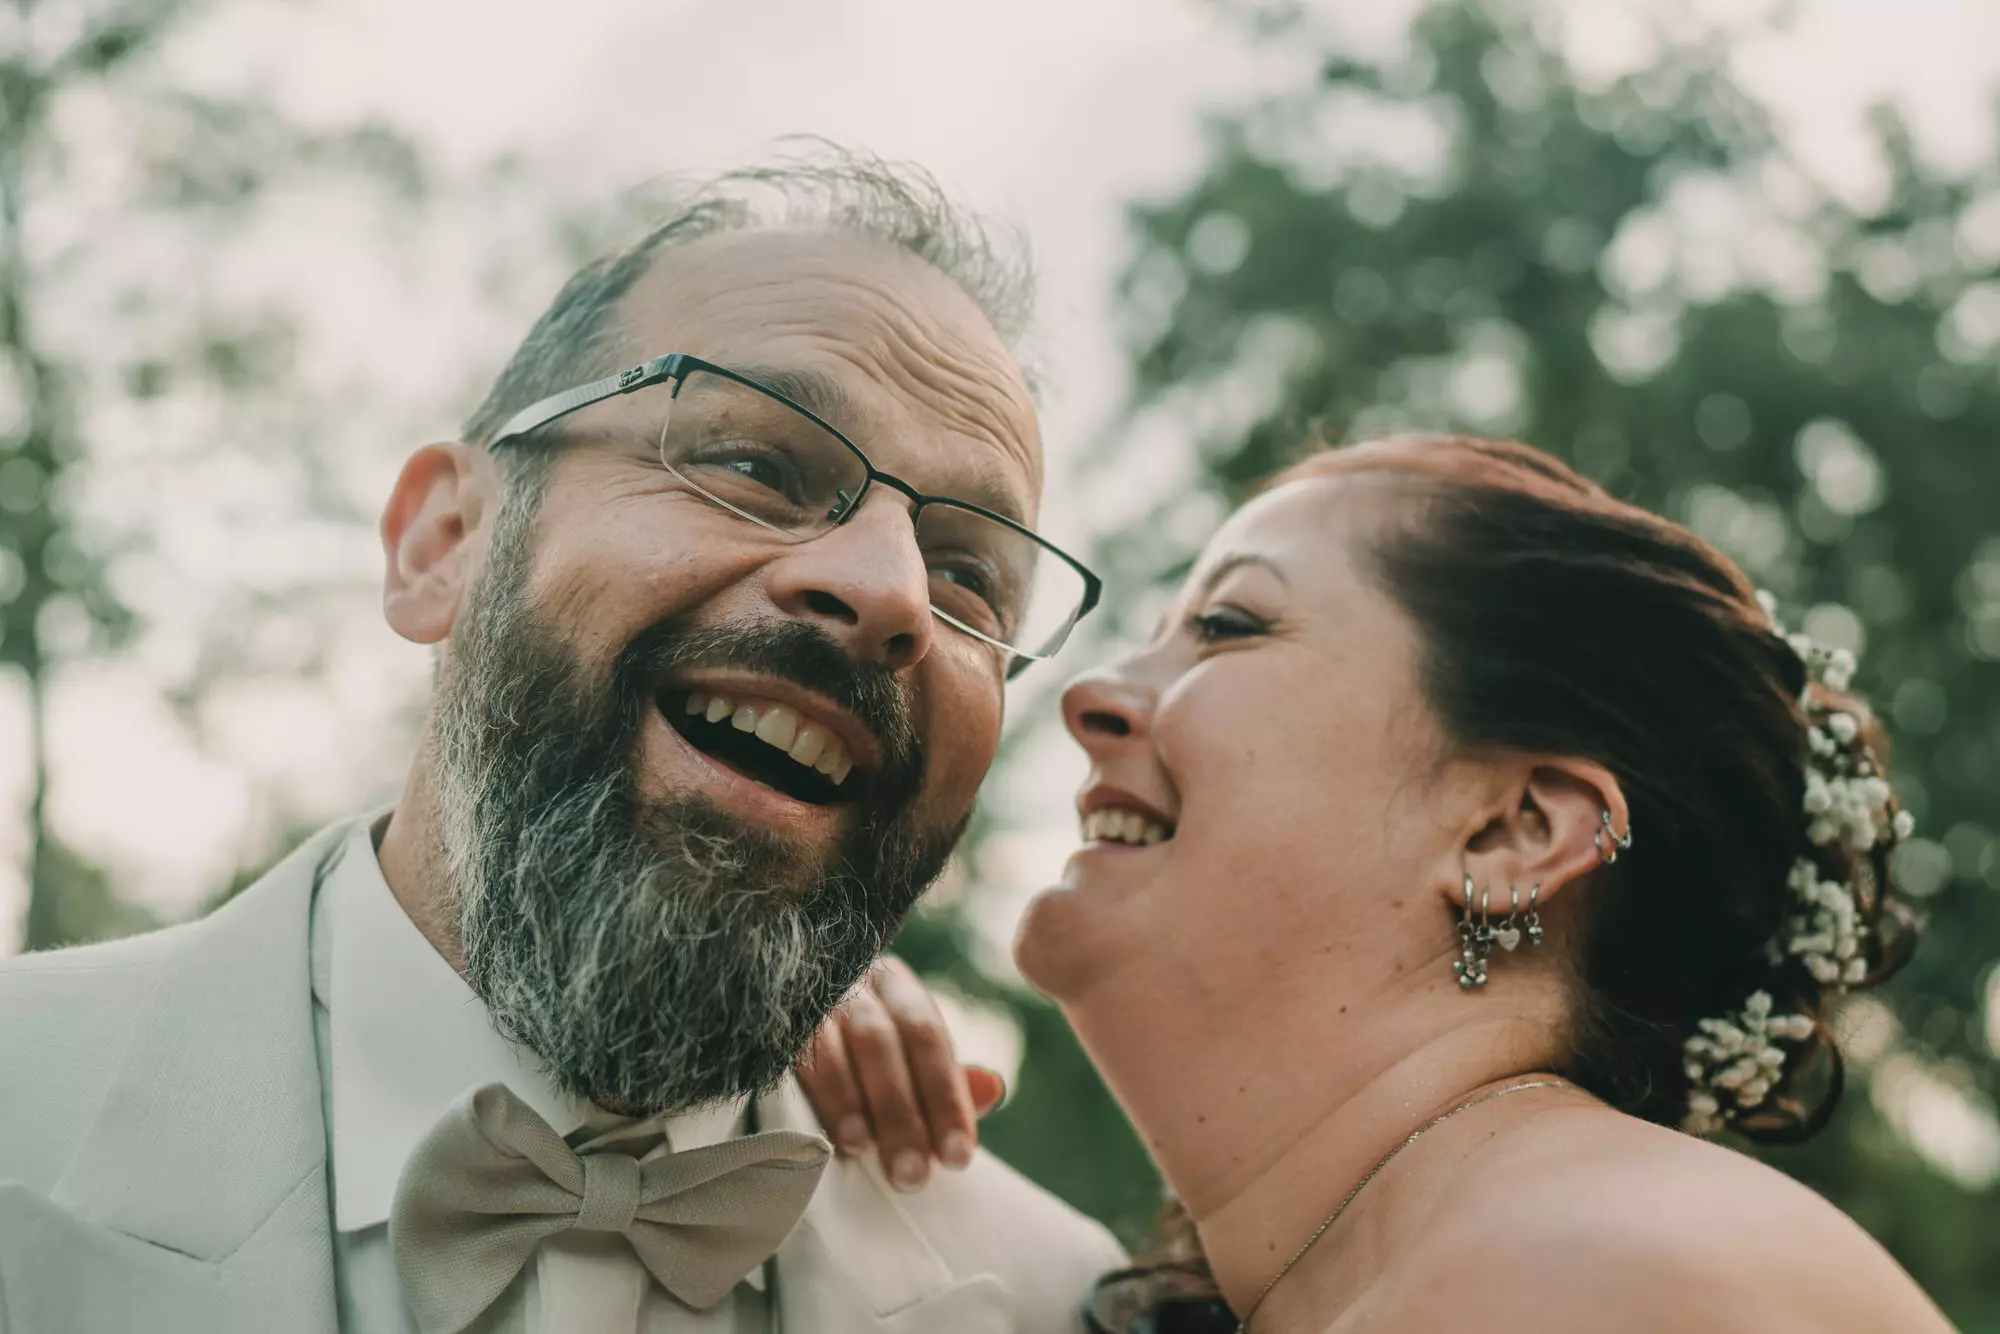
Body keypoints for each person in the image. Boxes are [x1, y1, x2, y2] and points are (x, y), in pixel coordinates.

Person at [0, 154, 1125, 1334]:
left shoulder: (1057, 1298)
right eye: (754, 464)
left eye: (966, 575)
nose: (892, 591)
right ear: (443, 542)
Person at [802, 433, 1956, 1333]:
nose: (1088, 693)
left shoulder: (1594, 1269)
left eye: (1226, 624)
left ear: (1510, 832)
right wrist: (743, 1035)